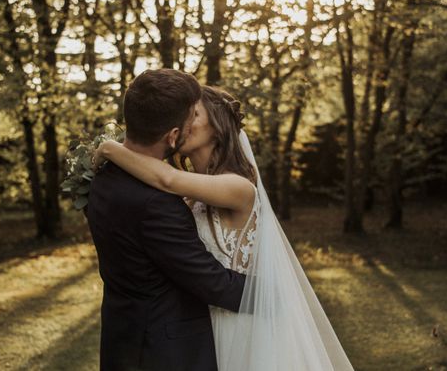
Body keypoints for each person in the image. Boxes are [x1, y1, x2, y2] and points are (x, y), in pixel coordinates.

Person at [95, 85, 354, 371]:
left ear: (217, 126)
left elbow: (165, 179)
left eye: (193, 114)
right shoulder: (194, 187)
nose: (183, 121)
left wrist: (109, 148)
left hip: (239, 324)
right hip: (200, 325)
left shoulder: (238, 186)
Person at [85, 69, 246, 371]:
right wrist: (275, 296)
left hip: (124, 339)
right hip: (163, 354)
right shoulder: (157, 204)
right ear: (173, 136)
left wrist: (109, 148)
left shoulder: (101, 178)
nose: (195, 122)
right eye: (192, 116)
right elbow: (212, 283)